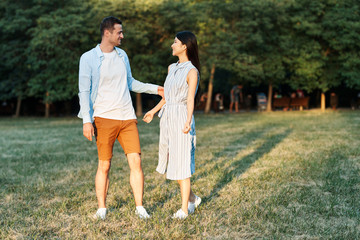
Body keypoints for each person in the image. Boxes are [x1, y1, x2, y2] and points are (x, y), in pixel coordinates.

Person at [78, 16, 164, 220]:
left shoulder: (122, 55)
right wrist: (87, 121)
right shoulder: (88, 58)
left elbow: (131, 83)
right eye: (119, 32)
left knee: (136, 161)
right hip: (103, 118)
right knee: (104, 165)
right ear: (107, 33)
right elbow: (84, 90)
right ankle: (102, 209)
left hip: (127, 117)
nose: (122, 35)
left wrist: (156, 89)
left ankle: (140, 206)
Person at [142, 31, 202, 219]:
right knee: (172, 161)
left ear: (184, 46)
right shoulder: (171, 68)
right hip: (168, 117)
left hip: (182, 116)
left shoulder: (192, 71)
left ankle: (184, 209)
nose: (171, 45)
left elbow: (190, 99)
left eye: (175, 42)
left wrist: (187, 121)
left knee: (182, 162)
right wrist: (153, 111)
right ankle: (192, 198)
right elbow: (167, 96)